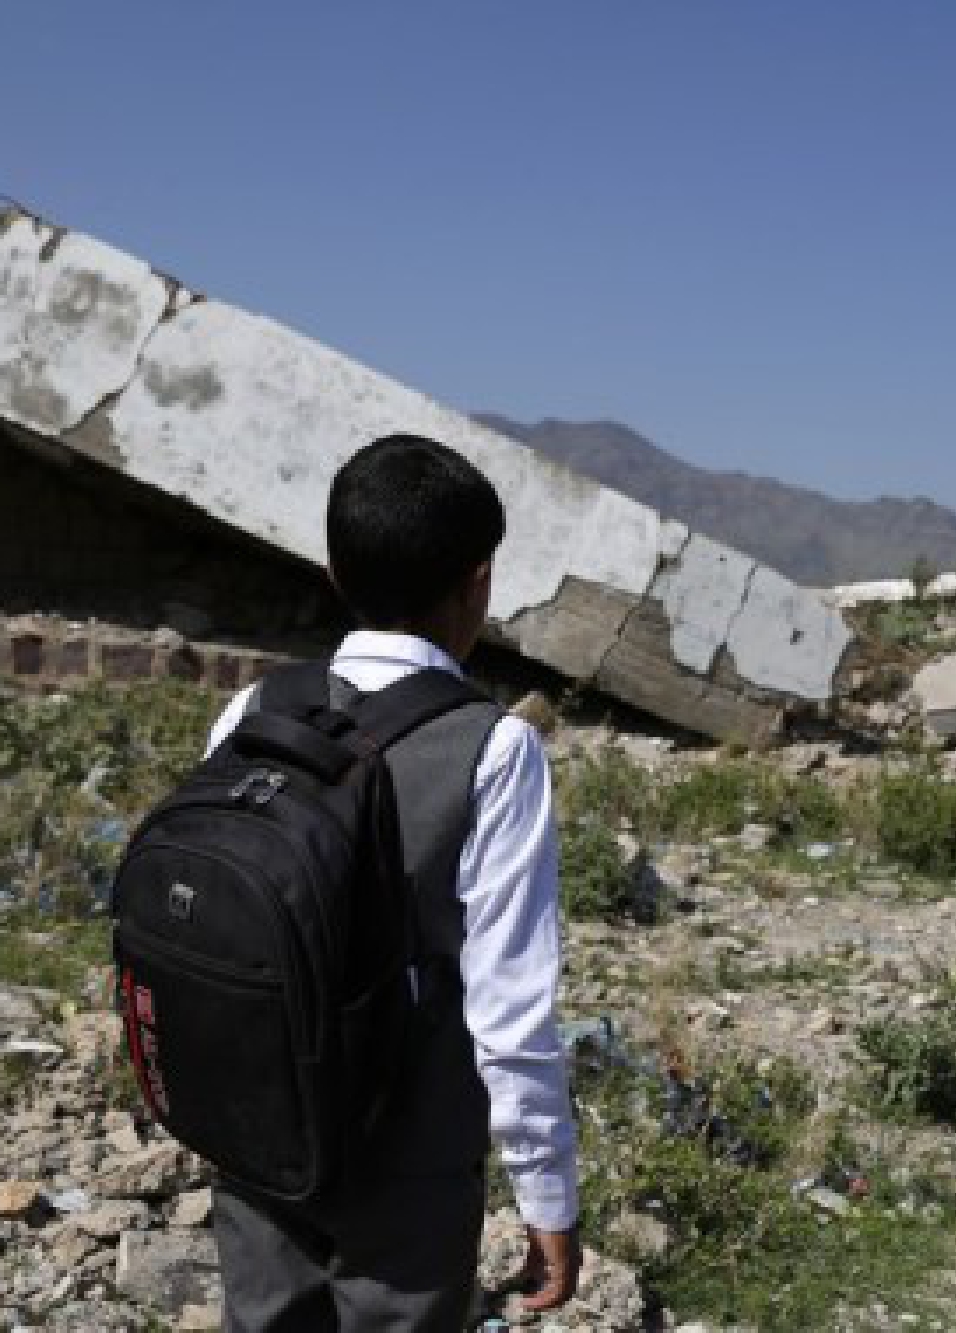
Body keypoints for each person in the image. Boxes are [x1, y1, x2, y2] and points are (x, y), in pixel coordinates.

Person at [203, 434, 580, 1331]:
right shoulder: (494, 747)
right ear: (479, 581)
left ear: (335, 569)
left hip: (259, 1125)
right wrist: (548, 1195)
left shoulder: (255, 709)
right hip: (408, 1153)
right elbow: (509, 1008)